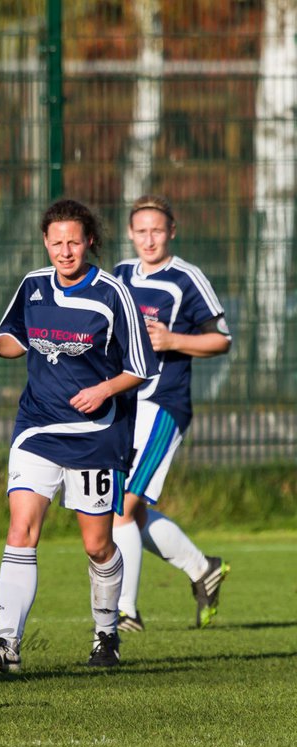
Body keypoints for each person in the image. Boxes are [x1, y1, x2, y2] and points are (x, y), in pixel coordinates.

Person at [0, 199, 156, 671]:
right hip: (37, 428)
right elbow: (17, 338)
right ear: (45, 243)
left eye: (74, 241)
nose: (65, 251)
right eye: (56, 242)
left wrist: (103, 389)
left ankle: (106, 635)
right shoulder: (32, 286)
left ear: (89, 240)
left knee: (97, 545)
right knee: (20, 529)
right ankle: (7, 646)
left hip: (96, 433)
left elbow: (141, 367)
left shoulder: (112, 293)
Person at [111, 195, 233, 632]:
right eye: (141, 230)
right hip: (124, 407)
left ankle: (124, 611)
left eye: (157, 230)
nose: (149, 238)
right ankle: (203, 569)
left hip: (165, 406)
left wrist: (173, 341)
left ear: (172, 231)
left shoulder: (186, 278)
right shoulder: (120, 274)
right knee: (128, 512)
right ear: (130, 233)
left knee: (121, 506)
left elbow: (221, 340)